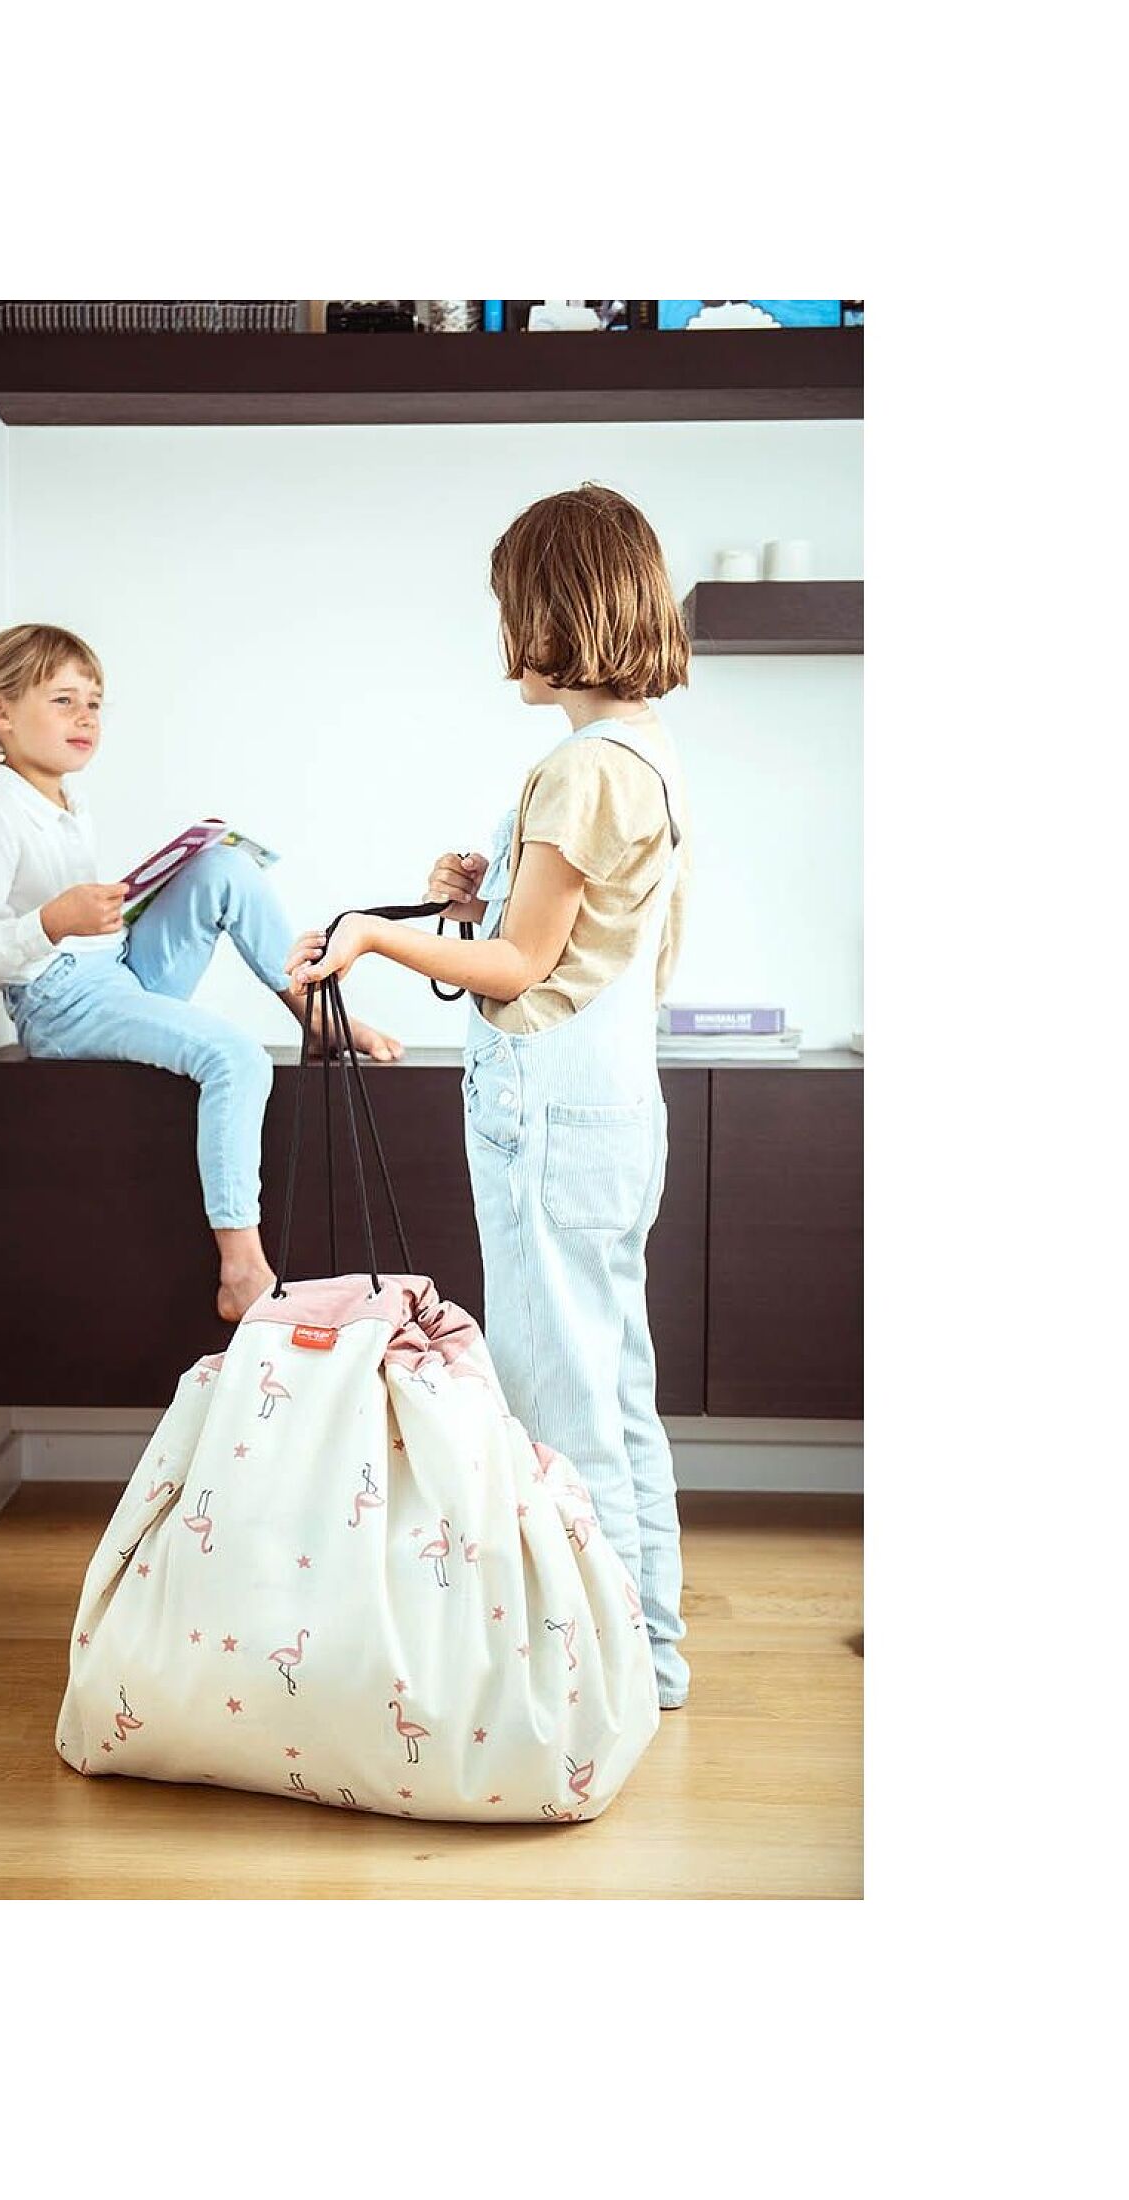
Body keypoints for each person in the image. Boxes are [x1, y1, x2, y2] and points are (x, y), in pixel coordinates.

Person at [285, 484, 694, 1707]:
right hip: (613, 1112)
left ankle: (599, 1672)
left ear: (554, 611)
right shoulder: (644, 758)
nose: (503, 634)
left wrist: (375, 937)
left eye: (511, 607)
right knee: (615, 1388)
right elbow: (570, 944)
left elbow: (518, 973)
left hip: (550, 1123)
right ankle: (651, 1651)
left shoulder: (575, 770)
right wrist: (480, 893)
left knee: (559, 1406)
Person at [0, 623, 402, 1324]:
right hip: (62, 1002)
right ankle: (242, 1266)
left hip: (114, 971)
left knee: (224, 866)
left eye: (95, 703)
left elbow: (88, 927)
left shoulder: (69, 803)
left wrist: (121, 905)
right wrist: (55, 921)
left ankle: (309, 1009)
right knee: (236, 1058)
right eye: (65, 700)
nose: (86, 718)